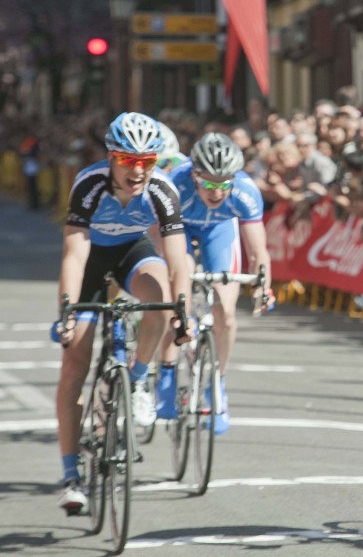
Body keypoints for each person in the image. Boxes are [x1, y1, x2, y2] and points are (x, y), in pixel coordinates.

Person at [54, 112, 192, 514]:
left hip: (134, 252)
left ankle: (137, 378)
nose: (138, 170)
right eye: (128, 160)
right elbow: (74, 253)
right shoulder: (89, 184)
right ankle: (70, 475)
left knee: (162, 301)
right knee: (74, 363)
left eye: (147, 161)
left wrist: (181, 309)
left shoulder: (162, 189)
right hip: (92, 258)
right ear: (111, 158)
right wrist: (66, 308)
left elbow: (178, 257)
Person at [157, 133, 274, 434]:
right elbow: (164, 245)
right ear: (194, 175)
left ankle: (217, 383)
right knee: (178, 297)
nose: (217, 192)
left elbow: (258, 250)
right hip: (177, 229)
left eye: (224, 183)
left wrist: (262, 286)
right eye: (208, 183)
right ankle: (167, 372)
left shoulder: (245, 192)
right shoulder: (175, 185)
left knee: (227, 313)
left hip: (219, 232)